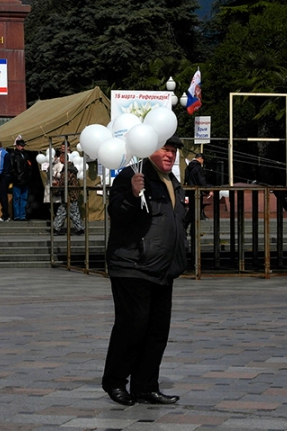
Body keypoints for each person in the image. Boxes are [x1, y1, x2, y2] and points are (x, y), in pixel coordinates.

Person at [102, 135, 187, 406]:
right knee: (132, 327)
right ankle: (115, 381)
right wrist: (132, 194)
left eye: (173, 151)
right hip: (132, 265)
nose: (170, 155)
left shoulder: (173, 183)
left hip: (163, 269)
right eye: (165, 149)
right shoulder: (132, 176)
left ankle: (145, 386)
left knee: (157, 331)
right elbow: (117, 212)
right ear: (149, 148)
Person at [49, 143, 84, 235]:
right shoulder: (70, 168)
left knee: (72, 211)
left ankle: (79, 228)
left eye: (61, 158)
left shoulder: (67, 170)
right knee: (63, 211)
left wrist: (57, 187)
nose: (60, 159)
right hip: (69, 194)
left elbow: (64, 182)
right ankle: (56, 228)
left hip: (69, 194)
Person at [184, 153, 209, 264]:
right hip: (197, 192)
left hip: (190, 191)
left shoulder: (188, 166)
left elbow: (186, 179)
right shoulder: (198, 168)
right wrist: (207, 190)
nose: (203, 162)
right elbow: (201, 180)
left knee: (192, 210)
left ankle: (186, 226)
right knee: (195, 210)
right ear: (200, 159)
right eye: (203, 160)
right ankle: (187, 226)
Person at [8, 136, 30, 221]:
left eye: (23, 145)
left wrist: (28, 175)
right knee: (17, 198)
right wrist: (16, 177)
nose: (22, 147)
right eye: (21, 145)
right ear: (17, 146)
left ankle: (22, 215)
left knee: (23, 198)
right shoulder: (13, 155)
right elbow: (11, 167)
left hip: (25, 179)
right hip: (17, 179)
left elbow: (29, 166)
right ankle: (17, 215)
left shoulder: (26, 154)